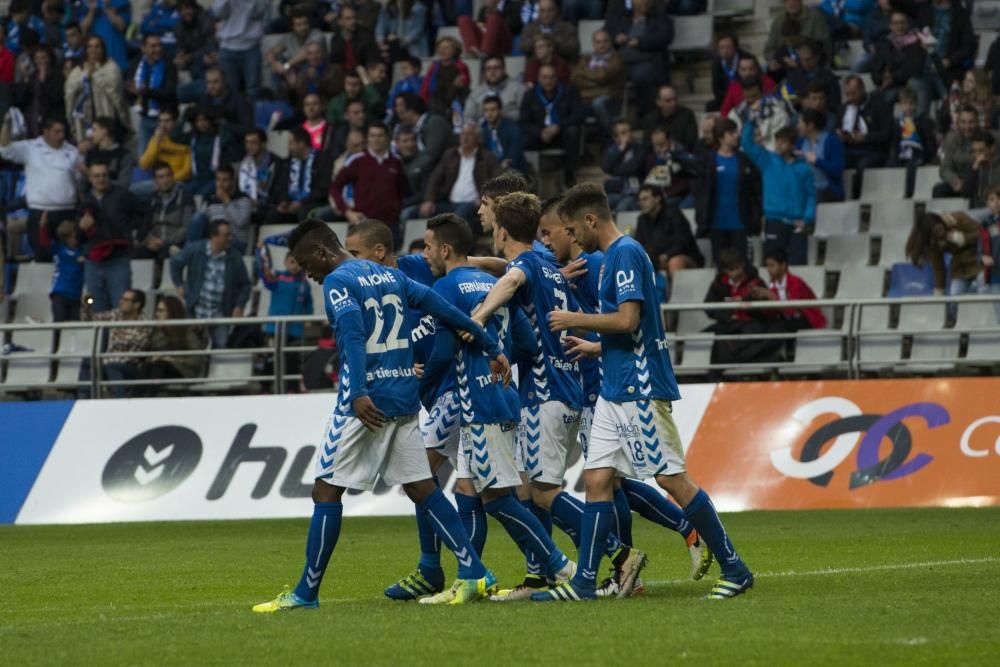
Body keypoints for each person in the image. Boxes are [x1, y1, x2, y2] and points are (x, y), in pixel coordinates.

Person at [252, 219, 511, 611]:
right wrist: (491, 345)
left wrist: (357, 392)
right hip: (404, 397)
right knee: (422, 487)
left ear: (323, 252)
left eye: (309, 267)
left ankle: (306, 593)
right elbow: (442, 308)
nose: (310, 276)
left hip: (366, 404)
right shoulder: (388, 275)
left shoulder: (340, 281)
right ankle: (474, 572)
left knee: (326, 490)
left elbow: (353, 335)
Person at [543, 184, 754, 601]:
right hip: (613, 386)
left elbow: (627, 319)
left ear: (590, 220)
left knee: (671, 479)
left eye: (572, 227)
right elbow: (631, 331)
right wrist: (596, 346)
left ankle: (736, 567)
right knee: (598, 479)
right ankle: (585, 581)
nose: (572, 237)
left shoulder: (624, 254)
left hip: (640, 386)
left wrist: (575, 319)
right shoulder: (611, 260)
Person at [469, 193, 641, 600]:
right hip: (570, 389)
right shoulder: (549, 263)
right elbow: (511, 272)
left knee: (544, 492)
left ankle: (619, 556)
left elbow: (510, 279)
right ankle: (542, 575)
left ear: (502, 230)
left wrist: (476, 317)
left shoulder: (527, 265)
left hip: (543, 394)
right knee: (532, 490)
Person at [404, 211, 579, 601]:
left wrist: (426, 381)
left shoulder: (448, 287)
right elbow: (528, 342)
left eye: (429, 247)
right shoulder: (493, 281)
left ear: (445, 249)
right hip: (503, 395)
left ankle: (560, 565)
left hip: (478, 404)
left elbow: (445, 349)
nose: (426, 254)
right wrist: (498, 360)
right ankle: (470, 577)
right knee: (468, 487)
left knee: (498, 498)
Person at [0, 115, 81, 262]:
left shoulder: (73, 151)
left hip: (67, 212)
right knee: (42, 255)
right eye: (57, 132)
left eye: (63, 131)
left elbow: (80, 181)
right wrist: (7, 125)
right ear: (46, 132)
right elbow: (5, 149)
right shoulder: (31, 147)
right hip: (40, 212)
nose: (61, 135)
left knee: (70, 254)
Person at [741, 121, 815, 266]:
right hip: (774, 220)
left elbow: (811, 196)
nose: (778, 145)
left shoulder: (804, 169)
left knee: (798, 265)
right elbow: (747, 144)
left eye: (783, 142)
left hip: (797, 222)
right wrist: (750, 122)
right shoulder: (767, 160)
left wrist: (807, 218)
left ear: (793, 145)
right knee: (773, 265)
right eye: (777, 141)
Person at [170, 219, 250, 348]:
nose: (230, 238)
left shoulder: (235, 257)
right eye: (226, 235)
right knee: (192, 348)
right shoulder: (195, 249)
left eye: (230, 234)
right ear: (214, 236)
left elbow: (245, 285)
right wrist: (179, 284)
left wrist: (239, 305)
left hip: (221, 313)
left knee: (220, 349)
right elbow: (175, 263)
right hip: (196, 311)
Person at [694, 118, 762, 266]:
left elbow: (756, 191)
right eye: (731, 133)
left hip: (740, 223)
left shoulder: (744, 161)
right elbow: (701, 192)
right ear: (721, 137)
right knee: (721, 268)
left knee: (741, 267)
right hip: (716, 224)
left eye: (736, 132)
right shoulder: (708, 161)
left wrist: (756, 216)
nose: (736, 135)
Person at [79, 161, 145, 312]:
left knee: (122, 307)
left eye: (104, 175)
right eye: (96, 176)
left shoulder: (122, 195)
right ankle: (98, 336)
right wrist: (82, 228)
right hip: (93, 264)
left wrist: (139, 236)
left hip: (118, 262)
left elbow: (145, 212)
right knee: (92, 303)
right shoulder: (85, 201)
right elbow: (79, 235)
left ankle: (119, 336)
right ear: (90, 178)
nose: (100, 179)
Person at [704, 247, 784, 368]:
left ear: (743, 264)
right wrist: (727, 315)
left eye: (738, 267)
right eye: (731, 269)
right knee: (702, 338)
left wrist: (745, 303)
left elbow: (765, 308)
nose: (736, 272)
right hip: (728, 323)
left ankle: (725, 370)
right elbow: (709, 306)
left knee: (729, 343)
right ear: (725, 270)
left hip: (752, 323)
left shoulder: (755, 282)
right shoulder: (718, 283)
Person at [330, 122, 408, 248]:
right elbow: (335, 187)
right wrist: (347, 212)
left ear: (387, 138)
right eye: (372, 136)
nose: (376, 139)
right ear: (367, 138)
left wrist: (396, 213)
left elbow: (401, 191)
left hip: (390, 223)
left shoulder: (396, 162)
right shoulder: (357, 160)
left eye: (380, 136)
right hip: (363, 222)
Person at [417, 123, 501, 234]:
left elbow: (497, 182)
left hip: (473, 204)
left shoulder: (487, 157)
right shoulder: (450, 155)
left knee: (460, 214)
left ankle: (457, 248)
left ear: (477, 138)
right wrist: (429, 200)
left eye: (469, 134)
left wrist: (483, 198)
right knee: (416, 212)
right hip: (449, 203)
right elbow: (434, 179)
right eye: (462, 134)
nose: (465, 137)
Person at [78, 289, 151, 398]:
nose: (121, 302)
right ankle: (83, 399)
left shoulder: (144, 322)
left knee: (112, 366)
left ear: (137, 305)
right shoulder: (116, 314)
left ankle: (119, 400)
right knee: (88, 361)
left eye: (126, 300)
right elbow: (91, 320)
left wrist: (108, 360)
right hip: (109, 361)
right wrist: (87, 307)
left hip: (131, 366)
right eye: (121, 298)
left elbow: (137, 347)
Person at [519, 64, 583, 188]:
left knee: (573, 131)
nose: (548, 81)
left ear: (557, 78)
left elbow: (578, 115)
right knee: (520, 137)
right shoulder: (530, 95)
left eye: (552, 77)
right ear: (538, 78)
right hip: (539, 136)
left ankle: (569, 173)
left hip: (561, 134)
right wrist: (540, 132)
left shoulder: (569, 91)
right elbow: (524, 121)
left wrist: (558, 127)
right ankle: (528, 177)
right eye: (545, 77)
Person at [606, 0, 672, 116]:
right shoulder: (622, 16)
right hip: (622, 61)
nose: (645, 6)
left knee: (641, 76)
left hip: (647, 60)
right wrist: (616, 37)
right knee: (608, 74)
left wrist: (640, 42)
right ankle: (612, 116)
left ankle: (646, 114)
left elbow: (665, 37)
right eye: (641, 4)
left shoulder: (659, 16)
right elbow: (608, 30)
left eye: (647, 3)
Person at [906, 211, 986, 304]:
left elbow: (984, 234)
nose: (941, 233)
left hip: (980, 260)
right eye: (936, 234)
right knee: (954, 300)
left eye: (940, 229)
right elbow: (939, 268)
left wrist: (963, 238)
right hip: (960, 269)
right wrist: (939, 293)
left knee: (983, 291)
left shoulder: (958, 218)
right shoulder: (933, 242)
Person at [140, 294, 208, 394]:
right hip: (160, 369)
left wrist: (172, 360)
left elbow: (196, 359)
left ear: (172, 312)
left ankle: (149, 399)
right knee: (147, 367)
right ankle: (135, 399)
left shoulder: (187, 332)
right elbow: (146, 356)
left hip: (183, 371)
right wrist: (153, 358)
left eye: (161, 311)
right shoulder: (156, 333)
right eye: (157, 310)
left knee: (159, 365)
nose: (157, 314)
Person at [838, 75, 892, 197]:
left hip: (872, 150)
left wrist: (866, 137)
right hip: (849, 148)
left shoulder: (879, 106)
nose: (851, 98)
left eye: (854, 93)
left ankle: (857, 198)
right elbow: (838, 128)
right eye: (848, 94)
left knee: (863, 166)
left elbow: (887, 133)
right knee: (835, 162)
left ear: (862, 89)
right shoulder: (843, 109)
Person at [126, 34, 178, 154]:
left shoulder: (169, 65)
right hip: (146, 118)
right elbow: (130, 91)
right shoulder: (135, 64)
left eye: (159, 45)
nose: (158, 49)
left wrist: (147, 92)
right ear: (143, 48)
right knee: (143, 156)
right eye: (153, 46)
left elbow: (170, 93)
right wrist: (131, 92)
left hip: (166, 120)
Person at [634, 185, 703, 275]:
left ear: (657, 198)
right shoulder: (642, 220)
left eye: (645, 199)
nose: (642, 203)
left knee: (675, 262)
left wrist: (666, 256)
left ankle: (675, 289)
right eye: (640, 200)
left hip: (685, 256)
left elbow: (683, 242)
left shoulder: (674, 214)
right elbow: (639, 244)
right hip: (656, 259)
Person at [271, 127, 334, 223]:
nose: (288, 148)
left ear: (301, 144)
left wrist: (301, 203)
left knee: (303, 212)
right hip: (292, 203)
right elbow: (281, 186)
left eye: (291, 143)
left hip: (313, 203)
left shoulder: (322, 159)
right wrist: (284, 202)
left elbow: (323, 190)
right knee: (273, 213)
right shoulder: (287, 163)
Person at [257, 236, 313, 344]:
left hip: (295, 330)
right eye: (292, 261)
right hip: (275, 328)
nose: (295, 266)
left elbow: (308, 304)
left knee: (292, 358)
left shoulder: (305, 283)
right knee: (273, 359)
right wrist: (260, 251)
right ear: (285, 262)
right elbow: (264, 271)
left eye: (299, 263)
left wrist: (308, 320)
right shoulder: (276, 277)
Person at [870, 11, 929, 113]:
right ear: (890, 26)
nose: (900, 26)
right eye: (896, 23)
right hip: (890, 86)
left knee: (889, 96)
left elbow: (915, 69)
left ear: (908, 24)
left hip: (908, 85)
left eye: (902, 22)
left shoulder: (916, 43)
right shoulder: (883, 45)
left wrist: (892, 77)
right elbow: (875, 72)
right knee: (875, 97)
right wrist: (882, 78)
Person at [570, 29, 625, 136]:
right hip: (587, 99)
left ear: (610, 42)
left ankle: (610, 136)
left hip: (611, 100)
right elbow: (574, 77)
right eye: (598, 42)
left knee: (598, 103)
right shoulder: (586, 58)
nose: (602, 45)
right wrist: (594, 83)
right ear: (593, 44)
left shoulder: (617, 59)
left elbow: (602, 77)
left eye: (605, 41)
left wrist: (585, 73)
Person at [393, 92, 452, 188]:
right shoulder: (412, 128)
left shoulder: (435, 123)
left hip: (438, 176)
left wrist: (410, 171)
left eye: (402, 112)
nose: (397, 112)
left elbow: (431, 155)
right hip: (421, 174)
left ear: (411, 111)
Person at [136, 162, 193, 262]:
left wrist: (165, 241)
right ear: (155, 181)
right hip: (156, 243)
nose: (165, 180)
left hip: (175, 244)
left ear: (173, 177)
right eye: (161, 177)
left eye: (168, 176)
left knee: (166, 252)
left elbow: (187, 227)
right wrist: (150, 241)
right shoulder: (153, 200)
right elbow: (146, 226)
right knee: (137, 253)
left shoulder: (185, 197)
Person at [188, 166, 253, 251]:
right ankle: (189, 251)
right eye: (218, 180)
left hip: (235, 242)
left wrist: (226, 200)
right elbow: (199, 223)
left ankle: (186, 253)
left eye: (225, 180)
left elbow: (241, 222)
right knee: (198, 217)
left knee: (200, 247)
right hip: (214, 242)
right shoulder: (211, 201)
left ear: (232, 181)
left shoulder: (243, 199)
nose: (220, 184)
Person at [212, 0, 268, 97]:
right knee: (229, 91)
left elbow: (258, 12)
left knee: (253, 89)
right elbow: (218, 13)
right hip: (227, 47)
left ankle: (252, 111)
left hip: (251, 46)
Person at [761, 248, 827, 331]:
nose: (768, 269)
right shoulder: (773, 285)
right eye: (767, 266)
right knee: (763, 326)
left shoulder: (796, 283)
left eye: (772, 265)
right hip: (788, 319)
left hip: (807, 319)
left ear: (783, 265)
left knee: (777, 328)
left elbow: (792, 311)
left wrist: (771, 297)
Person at [888, 87, 936, 198]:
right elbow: (895, 142)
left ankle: (909, 194)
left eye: (911, 104)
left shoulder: (923, 120)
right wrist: (893, 157)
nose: (908, 107)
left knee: (911, 167)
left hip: (918, 155)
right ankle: (893, 193)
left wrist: (928, 157)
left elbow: (928, 141)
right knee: (891, 164)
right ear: (900, 105)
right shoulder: (898, 123)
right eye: (905, 104)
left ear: (916, 104)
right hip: (902, 155)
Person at [727, 77, 792, 152]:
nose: (751, 100)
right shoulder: (735, 114)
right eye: (747, 97)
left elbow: (779, 142)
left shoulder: (778, 111)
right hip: (745, 156)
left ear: (762, 93)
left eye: (754, 96)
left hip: (770, 155)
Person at [764, 0, 831, 71]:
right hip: (784, 65)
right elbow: (769, 50)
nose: (792, 3)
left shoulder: (815, 17)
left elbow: (824, 48)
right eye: (787, 0)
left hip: (810, 66)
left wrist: (801, 61)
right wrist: (779, 60)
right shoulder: (778, 21)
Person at [265, 7, 324, 87]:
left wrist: (286, 66)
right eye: (299, 25)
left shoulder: (317, 34)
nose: (303, 27)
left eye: (305, 23)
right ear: (293, 27)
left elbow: (306, 53)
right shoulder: (289, 37)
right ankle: (277, 96)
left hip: (312, 70)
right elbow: (270, 52)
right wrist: (274, 64)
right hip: (291, 71)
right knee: (277, 60)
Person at [15, 44, 64, 139]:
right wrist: (25, 79)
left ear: (50, 58)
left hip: (50, 120)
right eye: (37, 58)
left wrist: (43, 82)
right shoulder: (33, 76)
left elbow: (55, 99)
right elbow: (22, 100)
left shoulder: (58, 76)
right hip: (32, 120)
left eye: (43, 57)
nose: (40, 61)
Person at [137, 107, 192, 190]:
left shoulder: (185, 139)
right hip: (159, 181)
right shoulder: (157, 139)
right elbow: (144, 165)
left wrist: (168, 181)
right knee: (133, 191)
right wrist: (156, 141)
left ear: (175, 122)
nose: (163, 124)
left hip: (179, 182)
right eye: (160, 121)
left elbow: (187, 171)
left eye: (167, 121)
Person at [796, 108, 844, 203]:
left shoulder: (831, 141)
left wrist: (817, 162)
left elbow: (838, 170)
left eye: (800, 123)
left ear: (810, 125)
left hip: (826, 189)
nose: (797, 126)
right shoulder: (801, 142)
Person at [781, 38, 841, 114]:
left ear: (817, 57)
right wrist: (799, 101)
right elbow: (785, 99)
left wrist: (817, 104)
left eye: (807, 59)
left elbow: (835, 104)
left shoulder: (829, 77)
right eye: (801, 60)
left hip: (824, 116)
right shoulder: (792, 76)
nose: (804, 63)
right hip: (799, 115)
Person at [601, 120, 647, 213]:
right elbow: (606, 167)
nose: (628, 134)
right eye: (623, 133)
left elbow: (633, 168)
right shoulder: (612, 150)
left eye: (629, 131)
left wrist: (613, 170)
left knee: (622, 207)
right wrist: (621, 150)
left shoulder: (640, 148)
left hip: (633, 193)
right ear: (615, 138)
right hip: (614, 192)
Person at [464, 56, 525, 125]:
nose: (492, 71)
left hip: (511, 131)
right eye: (488, 68)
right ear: (484, 72)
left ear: (504, 70)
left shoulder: (518, 89)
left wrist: (504, 115)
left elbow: (526, 115)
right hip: (483, 133)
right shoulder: (476, 93)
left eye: (496, 68)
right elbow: (468, 118)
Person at [76, 116, 133, 189]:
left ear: (104, 131)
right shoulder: (91, 153)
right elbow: (84, 184)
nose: (91, 134)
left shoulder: (124, 155)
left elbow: (124, 184)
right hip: (92, 199)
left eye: (94, 130)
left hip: (115, 198)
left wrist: (90, 174)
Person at [328, 5, 380, 81]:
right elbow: (335, 63)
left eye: (354, 18)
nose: (353, 21)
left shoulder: (366, 36)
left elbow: (371, 62)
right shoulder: (336, 39)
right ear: (340, 21)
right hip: (343, 77)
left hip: (363, 76)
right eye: (348, 19)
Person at [76, 0, 131, 71]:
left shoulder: (121, 2)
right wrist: (91, 11)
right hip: (93, 63)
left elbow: (121, 26)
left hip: (117, 60)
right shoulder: (86, 3)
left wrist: (107, 8)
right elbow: (82, 29)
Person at [642, 86, 698, 152]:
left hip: (680, 154)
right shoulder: (650, 119)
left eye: (674, 99)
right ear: (659, 102)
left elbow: (691, 142)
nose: (673, 103)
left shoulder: (687, 115)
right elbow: (646, 144)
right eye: (668, 100)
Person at [48, 218, 84, 322]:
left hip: (76, 296)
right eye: (72, 236)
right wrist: (43, 226)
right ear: (66, 238)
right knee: (59, 323)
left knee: (74, 327)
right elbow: (45, 241)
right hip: (60, 294)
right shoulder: (59, 249)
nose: (75, 239)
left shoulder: (81, 252)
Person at [479, 96, 527, 172]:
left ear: (500, 111)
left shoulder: (512, 128)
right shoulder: (484, 131)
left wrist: (499, 167)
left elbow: (513, 158)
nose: (489, 114)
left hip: (513, 170)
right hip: (494, 171)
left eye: (493, 110)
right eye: (486, 110)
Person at [720, 54, 776, 118]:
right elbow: (725, 111)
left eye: (751, 69)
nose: (747, 73)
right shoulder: (733, 87)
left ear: (756, 69)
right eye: (743, 70)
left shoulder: (768, 82)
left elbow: (775, 104)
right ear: (738, 71)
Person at [709, 34, 749, 113]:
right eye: (721, 48)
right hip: (726, 98)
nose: (725, 51)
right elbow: (716, 89)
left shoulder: (746, 58)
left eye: (728, 47)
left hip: (746, 96)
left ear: (735, 47)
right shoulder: (716, 63)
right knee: (710, 106)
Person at [963, 130, 1000, 209]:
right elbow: (966, 193)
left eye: (981, 150)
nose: (977, 154)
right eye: (974, 151)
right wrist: (975, 168)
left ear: (992, 148)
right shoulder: (972, 167)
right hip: (977, 209)